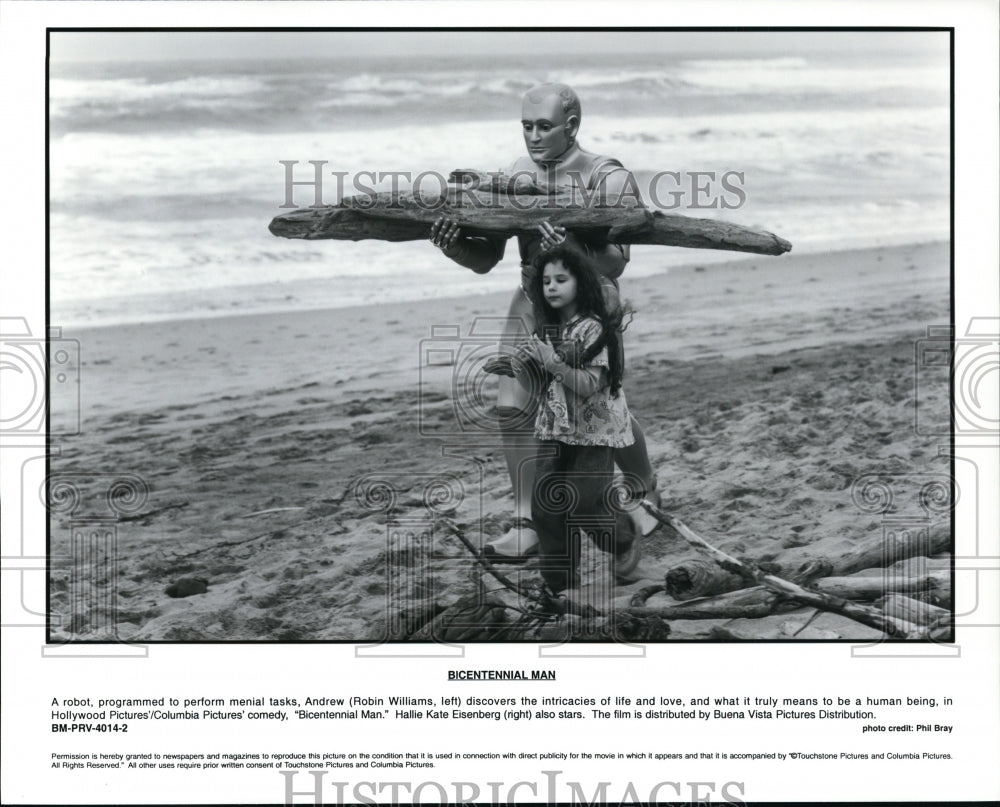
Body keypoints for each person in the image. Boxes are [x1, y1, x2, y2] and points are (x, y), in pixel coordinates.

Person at [429, 82, 659, 561]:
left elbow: (616, 261)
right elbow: (485, 258)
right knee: (513, 404)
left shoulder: (607, 176)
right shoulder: (513, 175)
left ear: (571, 126)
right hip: (533, 298)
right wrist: (452, 244)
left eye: (544, 126)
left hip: (591, 301)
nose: (533, 136)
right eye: (526, 126)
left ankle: (642, 490)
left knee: (601, 404)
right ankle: (527, 519)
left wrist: (574, 248)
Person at [511, 245, 637, 592]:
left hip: (595, 429)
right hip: (554, 427)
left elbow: (588, 386)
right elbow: (539, 387)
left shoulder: (593, 329)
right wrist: (522, 366)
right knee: (546, 504)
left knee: (584, 502)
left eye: (561, 279)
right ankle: (559, 582)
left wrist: (552, 363)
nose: (551, 286)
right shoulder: (547, 329)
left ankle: (624, 539)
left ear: (580, 282)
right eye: (547, 281)